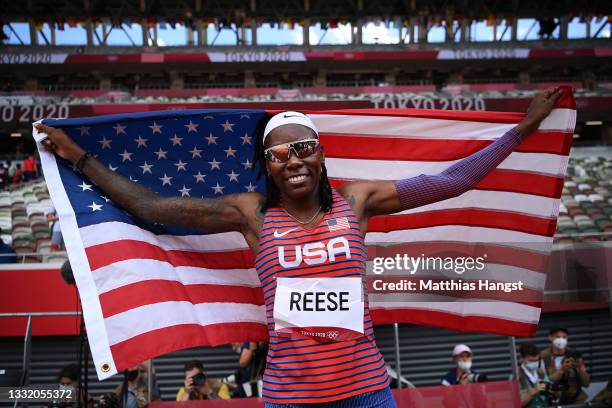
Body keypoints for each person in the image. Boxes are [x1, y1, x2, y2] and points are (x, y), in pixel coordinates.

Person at [36, 88, 562, 407]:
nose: (294, 160)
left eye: (304, 148)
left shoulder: (357, 200)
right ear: (268, 164)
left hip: (366, 393)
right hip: (291, 398)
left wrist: (522, 128)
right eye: (281, 152)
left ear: (321, 154)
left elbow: (451, 182)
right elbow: (152, 206)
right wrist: (80, 156)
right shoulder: (251, 212)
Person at [540, 327, 590, 403]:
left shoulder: (574, 354)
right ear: (550, 338)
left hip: (576, 399)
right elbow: (543, 381)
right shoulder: (543, 356)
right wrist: (562, 370)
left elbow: (586, 384)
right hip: (553, 400)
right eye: (558, 337)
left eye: (564, 337)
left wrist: (581, 368)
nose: (561, 340)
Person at [515, 343, 552, 408]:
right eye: (531, 361)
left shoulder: (541, 373)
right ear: (522, 358)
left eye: (536, 360)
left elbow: (548, 395)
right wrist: (533, 392)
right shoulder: (516, 376)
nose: (534, 363)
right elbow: (516, 404)